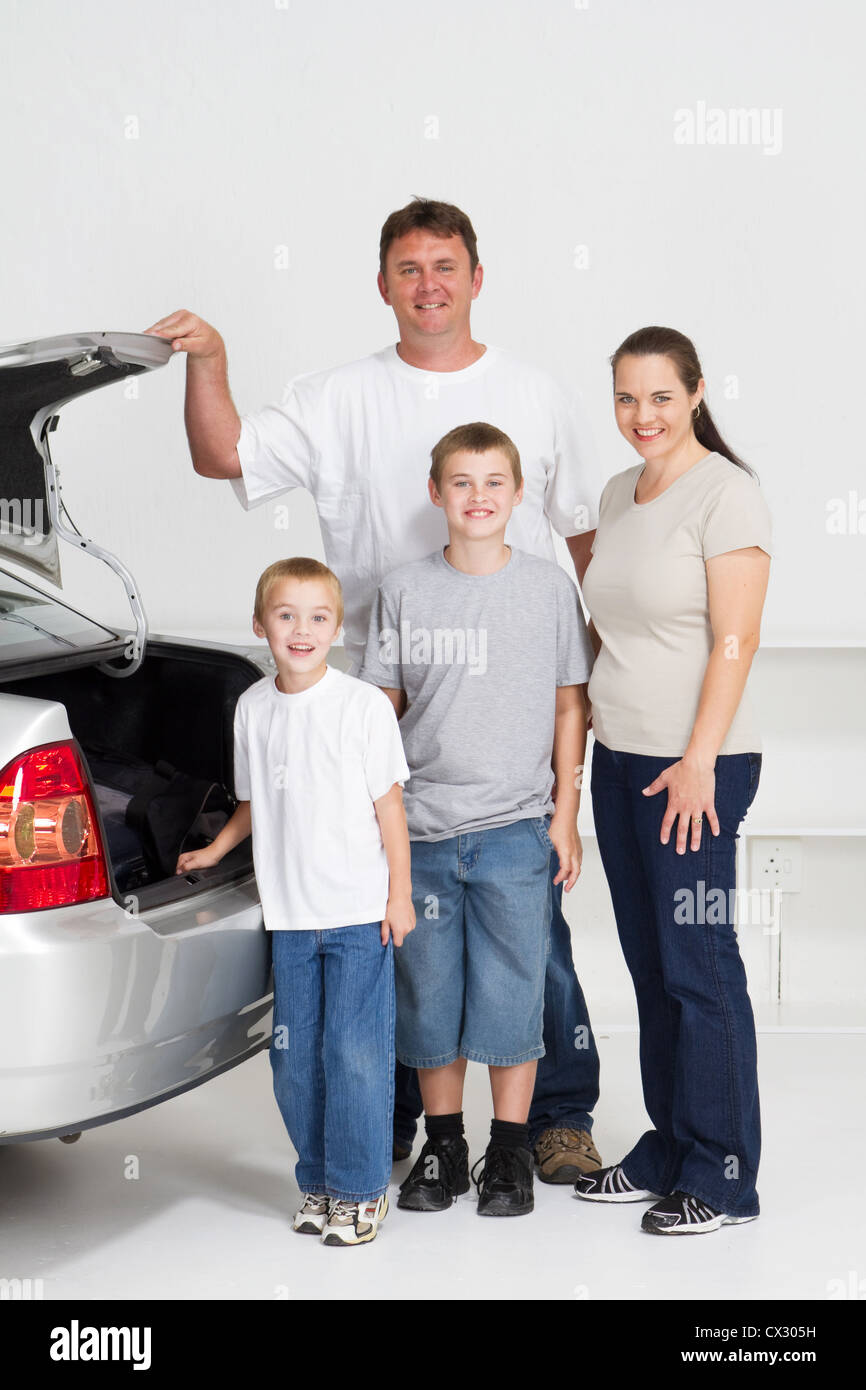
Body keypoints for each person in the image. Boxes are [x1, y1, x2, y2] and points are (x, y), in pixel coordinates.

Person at [145, 198, 605, 1181]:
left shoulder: (532, 392)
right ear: (383, 283)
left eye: (445, 266)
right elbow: (220, 456)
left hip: (512, 703)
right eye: (407, 268)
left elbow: (578, 536)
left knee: (530, 915)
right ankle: (407, 1122)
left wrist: (588, 664)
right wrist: (210, 361)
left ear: (476, 279)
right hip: (380, 696)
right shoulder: (337, 396)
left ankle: (556, 1116)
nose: (427, 283)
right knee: (395, 913)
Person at [360, 422, 592, 1216]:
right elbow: (380, 705)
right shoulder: (403, 589)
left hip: (516, 827)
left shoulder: (549, 588)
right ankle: (446, 1144)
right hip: (422, 831)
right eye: (462, 482)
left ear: (519, 494)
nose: (479, 497)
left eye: (495, 482)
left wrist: (566, 813)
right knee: (429, 996)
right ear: (436, 494)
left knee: (512, 992)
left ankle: (510, 1151)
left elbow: (570, 705)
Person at [575, 326, 772, 1234]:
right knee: (651, 965)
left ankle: (725, 1174)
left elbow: (736, 640)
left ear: (694, 393)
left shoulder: (727, 495)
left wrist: (698, 759)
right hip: (619, 761)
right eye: (625, 398)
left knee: (700, 966)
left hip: (695, 767)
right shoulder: (620, 492)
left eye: (659, 396)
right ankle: (672, 1143)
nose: (641, 415)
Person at [176, 557, 414, 1246]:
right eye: (286, 616)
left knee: (355, 1054)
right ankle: (318, 1180)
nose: (301, 630)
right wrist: (218, 850)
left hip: (358, 912)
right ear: (261, 625)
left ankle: (362, 1190)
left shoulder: (362, 705)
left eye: (317, 617)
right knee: (294, 1057)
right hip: (290, 919)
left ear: (336, 627)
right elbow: (255, 801)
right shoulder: (253, 708)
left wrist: (399, 896)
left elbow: (391, 810)